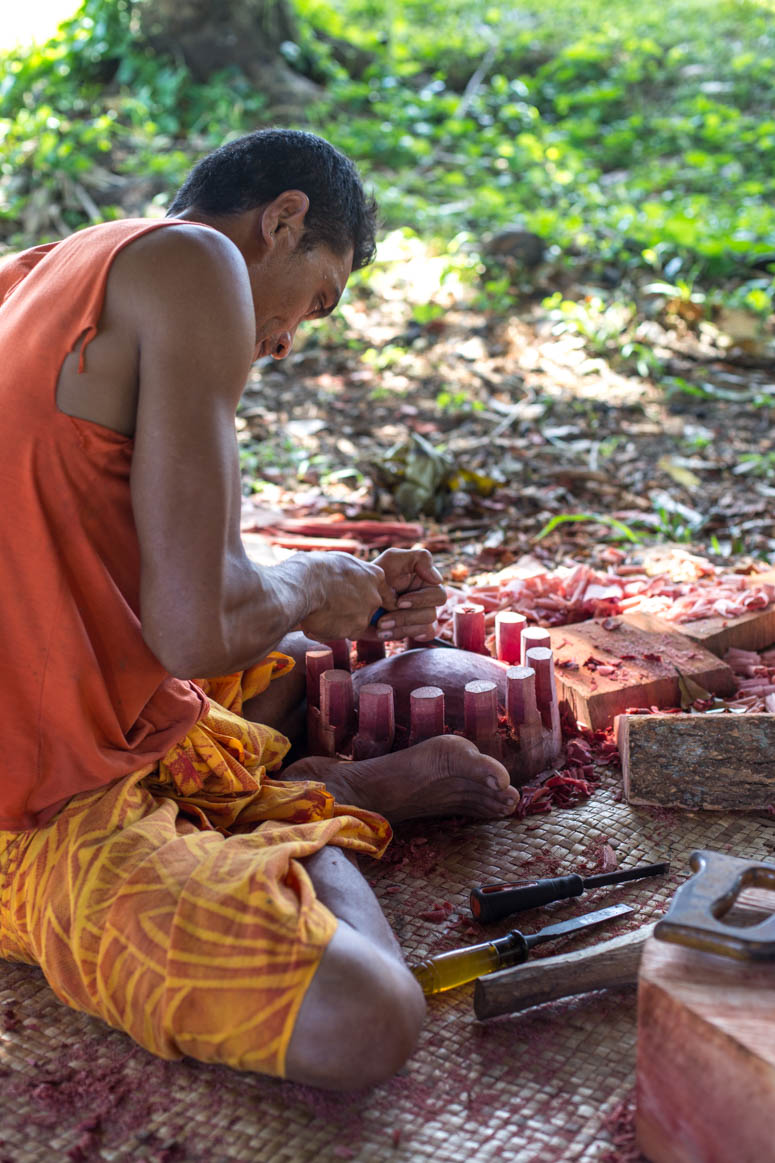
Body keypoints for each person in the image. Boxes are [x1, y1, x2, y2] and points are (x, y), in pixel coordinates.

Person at [0, 128, 519, 1091]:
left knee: (279, 648)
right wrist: (319, 585)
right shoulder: (199, 261)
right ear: (279, 221)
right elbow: (192, 628)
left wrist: (331, 580)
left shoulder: (42, 268)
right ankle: (304, 821)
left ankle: (258, 788)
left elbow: (120, 556)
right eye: (316, 301)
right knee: (366, 1014)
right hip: (32, 810)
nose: (283, 342)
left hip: (59, 694)